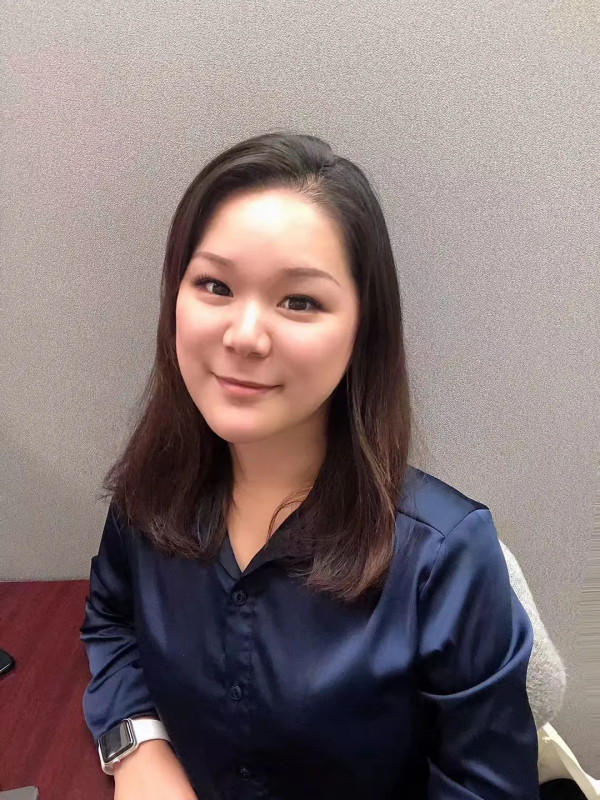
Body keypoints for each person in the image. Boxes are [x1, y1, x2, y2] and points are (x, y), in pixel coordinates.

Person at [80, 131, 542, 799]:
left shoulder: (446, 558)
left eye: (299, 301)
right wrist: (138, 749)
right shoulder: (151, 495)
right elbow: (111, 621)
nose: (244, 335)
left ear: (361, 329)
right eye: (214, 285)